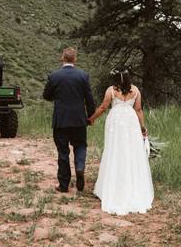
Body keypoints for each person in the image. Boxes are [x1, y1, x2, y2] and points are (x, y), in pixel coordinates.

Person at [88, 67, 154, 215]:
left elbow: (104, 107)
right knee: (130, 151)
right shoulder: (135, 90)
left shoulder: (111, 90)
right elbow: (138, 110)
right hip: (130, 121)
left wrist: (92, 118)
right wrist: (142, 127)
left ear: (116, 78)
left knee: (114, 150)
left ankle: (113, 185)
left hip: (116, 122)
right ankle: (131, 184)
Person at [42, 47, 95, 193]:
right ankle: (79, 167)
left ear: (62, 58)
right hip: (79, 119)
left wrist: (57, 98)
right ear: (75, 59)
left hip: (61, 120)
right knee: (80, 145)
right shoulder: (83, 76)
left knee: (63, 152)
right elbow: (89, 99)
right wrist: (90, 116)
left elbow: (46, 95)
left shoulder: (54, 76)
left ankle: (64, 185)